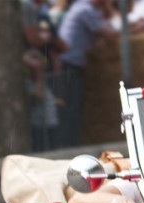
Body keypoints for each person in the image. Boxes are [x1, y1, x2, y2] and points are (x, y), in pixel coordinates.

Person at [57, 0, 117, 147]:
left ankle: (69, 145)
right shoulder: (86, 10)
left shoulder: (83, 7)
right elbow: (110, 36)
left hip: (69, 64)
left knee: (71, 109)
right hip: (70, 65)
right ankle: (69, 147)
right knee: (71, 109)